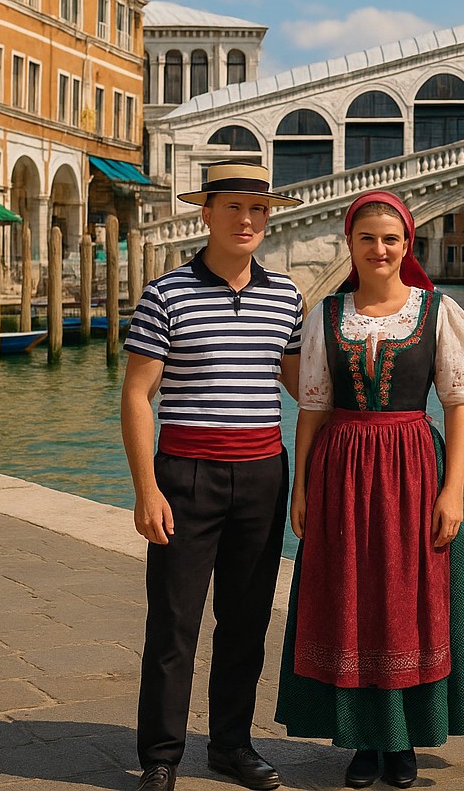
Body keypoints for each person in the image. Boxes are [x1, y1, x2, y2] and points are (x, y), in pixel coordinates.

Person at [276, 190, 464, 790]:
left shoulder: (439, 312)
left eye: (390, 239)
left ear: (406, 246)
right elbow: (312, 408)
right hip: (341, 469)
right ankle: (363, 740)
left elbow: (458, 408)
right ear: (351, 245)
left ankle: (403, 741)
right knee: (349, 599)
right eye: (367, 238)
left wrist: (454, 492)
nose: (379, 249)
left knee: (407, 600)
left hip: (414, 469)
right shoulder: (323, 316)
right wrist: (301, 486)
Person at [121, 161, 305, 791]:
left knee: (247, 622)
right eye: (234, 208)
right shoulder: (165, 294)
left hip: (261, 475)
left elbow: (306, 388)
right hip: (185, 476)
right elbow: (138, 396)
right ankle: (161, 757)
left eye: (258, 209)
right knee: (173, 624)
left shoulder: (286, 297)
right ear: (208, 214)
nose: (247, 220)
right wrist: (147, 489)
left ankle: (231, 745)